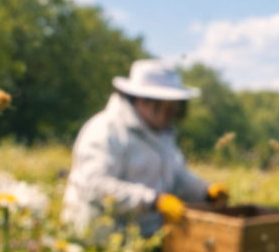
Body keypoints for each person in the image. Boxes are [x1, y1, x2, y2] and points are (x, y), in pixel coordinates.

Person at [62, 59, 227, 238]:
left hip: (146, 238)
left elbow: (177, 175)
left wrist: (204, 191)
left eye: (174, 106)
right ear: (141, 100)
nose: (171, 113)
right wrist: (153, 201)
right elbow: (95, 185)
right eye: (166, 106)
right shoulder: (105, 129)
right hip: (98, 241)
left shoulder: (161, 134)